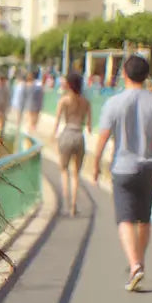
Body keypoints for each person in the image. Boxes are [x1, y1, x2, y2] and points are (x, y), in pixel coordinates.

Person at [93, 54, 152, 291]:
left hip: (123, 168)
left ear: (124, 75)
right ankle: (139, 261)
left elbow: (103, 136)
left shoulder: (113, 103)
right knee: (144, 218)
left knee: (125, 218)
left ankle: (134, 265)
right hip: (149, 166)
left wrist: (95, 164)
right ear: (146, 75)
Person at [52, 72, 92, 216]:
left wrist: (53, 136)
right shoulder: (86, 102)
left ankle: (66, 203)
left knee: (64, 171)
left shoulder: (64, 100)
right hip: (79, 135)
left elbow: (57, 121)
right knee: (76, 174)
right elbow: (89, 126)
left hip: (67, 133)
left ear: (68, 84)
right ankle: (74, 206)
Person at [24, 69, 44, 133]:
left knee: (32, 123)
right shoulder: (36, 84)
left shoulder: (36, 84)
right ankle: (30, 134)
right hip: (32, 106)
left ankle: (30, 134)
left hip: (33, 106)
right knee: (31, 123)